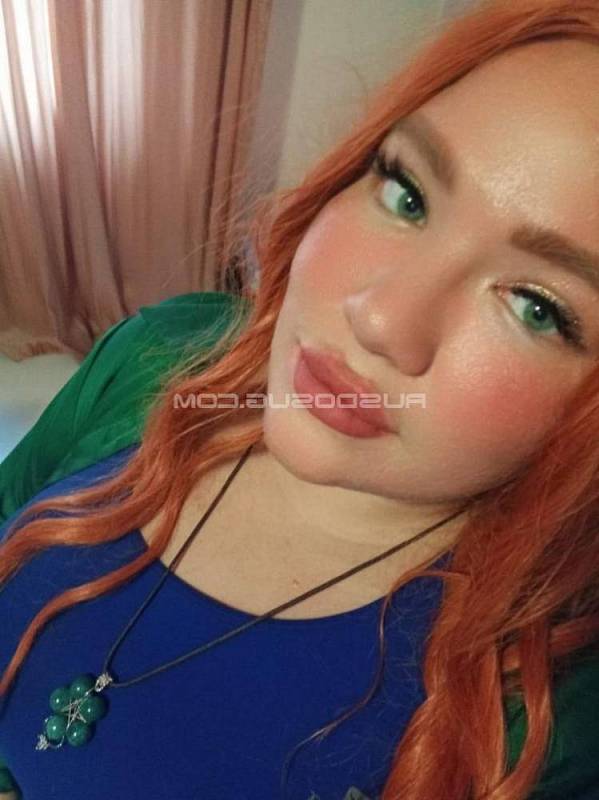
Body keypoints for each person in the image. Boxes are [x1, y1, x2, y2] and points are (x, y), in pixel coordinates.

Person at [2, 0, 599, 797]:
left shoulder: (546, 720)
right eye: (407, 194)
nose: (378, 317)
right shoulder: (160, 352)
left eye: (535, 307)